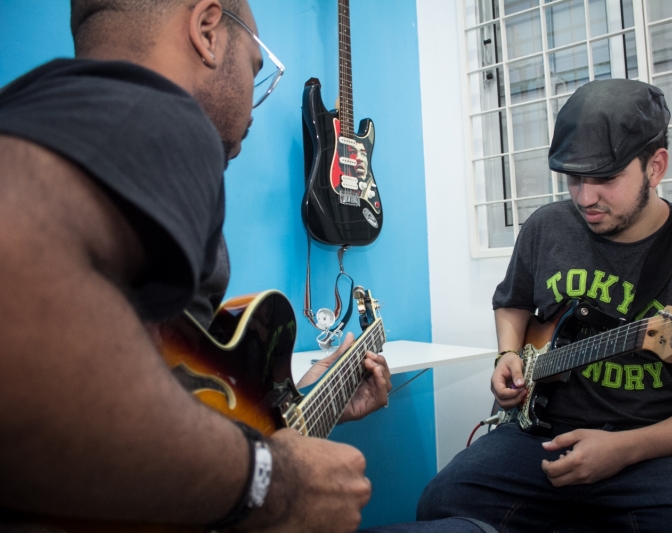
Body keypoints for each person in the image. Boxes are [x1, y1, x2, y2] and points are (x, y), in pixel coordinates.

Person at [0, 1, 394, 531]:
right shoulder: (158, 111)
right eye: (257, 68)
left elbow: (171, 399)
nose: (256, 105)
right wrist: (275, 484)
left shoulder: (47, 114)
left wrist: (293, 407)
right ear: (208, 31)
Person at [416, 79, 672, 532]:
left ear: (656, 166)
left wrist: (627, 448)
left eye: (605, 178)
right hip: (541, 435)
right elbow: (513, 302)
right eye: (574, 178)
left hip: (665, 451)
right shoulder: (546, 227)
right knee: (441, 499)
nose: (585, 197)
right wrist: (509, 353)